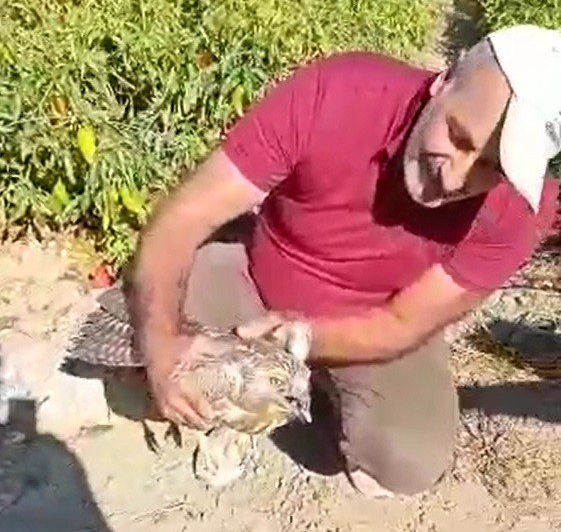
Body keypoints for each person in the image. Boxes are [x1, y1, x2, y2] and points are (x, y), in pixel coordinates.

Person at [126, 24, 561, 496]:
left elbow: (401, 324)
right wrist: (161, 345)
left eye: (492, 168)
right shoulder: (342, 92)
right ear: (444, 79)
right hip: (254, 278)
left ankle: (314, 390)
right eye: (458, 137)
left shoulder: (519, 210)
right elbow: (187, 215)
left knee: (406, 463)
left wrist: (305, 339)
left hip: (372, 326)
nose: (455, 178)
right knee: (150, 332)